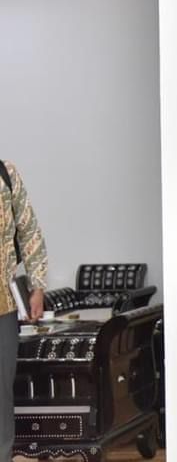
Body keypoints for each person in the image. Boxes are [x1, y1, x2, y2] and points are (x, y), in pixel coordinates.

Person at [1, 160, 48, 462]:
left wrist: (37, 286)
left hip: (2, 307)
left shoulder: (5, 173)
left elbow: (29, 229)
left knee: (1, 396)